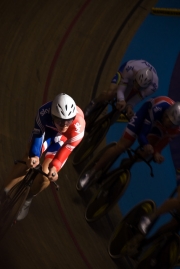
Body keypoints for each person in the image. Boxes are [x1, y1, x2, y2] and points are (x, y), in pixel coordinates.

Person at [0, 93, 85, 220]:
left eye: (68, 121)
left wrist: (55, 168)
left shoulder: (78, 128)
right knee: (28, 159)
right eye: (60, 121)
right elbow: (38, 135)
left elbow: (66, 151)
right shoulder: (44, 112)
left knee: (45, 176)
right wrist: (34, 155)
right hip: (46, 133)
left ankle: (28, 199)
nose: (64, 125)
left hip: (62, 140)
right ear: (52, 116)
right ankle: (5, 191)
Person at [80, 96, 180, 190]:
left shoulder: (175, 129)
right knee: (121, 146)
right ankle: (92, 172)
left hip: (157, 127)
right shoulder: (158, 108)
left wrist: (156, 153)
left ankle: (127, 162)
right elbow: (142, 134)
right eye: (168, 121)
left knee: (147, 152)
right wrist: (146, 144)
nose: (169, 125)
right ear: (166, 113)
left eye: (172, 124)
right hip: (145, 115)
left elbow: (161, 144)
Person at [84, 59, 159, 119]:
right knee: (111, 93)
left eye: (140, 87)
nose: (136, 87)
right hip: (126, 75)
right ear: (136, 74)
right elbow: (121, 89)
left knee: (121, 109)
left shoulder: (152, 87)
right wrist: (121, 100)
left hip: (133, 82)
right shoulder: (130, 68)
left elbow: (136, 100)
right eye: (136, 84)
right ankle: (93, 102)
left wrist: (129, 107)